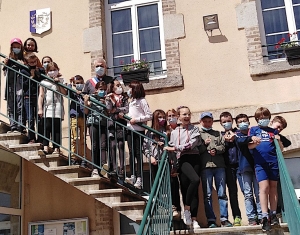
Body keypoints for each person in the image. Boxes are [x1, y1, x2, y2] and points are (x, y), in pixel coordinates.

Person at [164, 106, 201, 229]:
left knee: (195, 184)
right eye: (183, 114)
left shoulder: (195, 129)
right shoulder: (174, 133)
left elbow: (191, 145)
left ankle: (191, 216)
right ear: (178, 117)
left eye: (188, 114)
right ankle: (188, 214)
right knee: (185, 187)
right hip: (182, 160)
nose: (186, 116)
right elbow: (172, 152)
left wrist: (175, 148)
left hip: (194, 158)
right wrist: (174, 166)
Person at [248, 107, 280, 232]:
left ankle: (273, 214)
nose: (264, 120)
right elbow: (249, 146)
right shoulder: (254, 130)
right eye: (261, 118)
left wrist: (279, 141)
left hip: (273, 163)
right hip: (260, 164)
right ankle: (264, 217)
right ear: (257, 119)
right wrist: (255, 142)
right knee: (264, 188)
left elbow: (280, 149)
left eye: (266, 118)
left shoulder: (273, 131)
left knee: (273, 188)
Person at [199, 112, 232, 228]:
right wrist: (204, 144)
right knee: (207, 194)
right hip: (206, 166)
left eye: (209, 121)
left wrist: (216, 150)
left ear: (212, 122)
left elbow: (223, 146)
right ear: (200, 122)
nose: (207, 123)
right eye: (205, 121)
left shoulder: (217, 133)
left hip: (219, 166)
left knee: (222, 193)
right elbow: (196, 149)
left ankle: (224, 219)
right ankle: (211, 220)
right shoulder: (198, 134)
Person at [235, 113, 262, 225]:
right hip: (244, 167)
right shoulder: (237, 135)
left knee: (259, 192)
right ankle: (251, 218)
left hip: (257, 166)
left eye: (244, 121)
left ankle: (261, 215)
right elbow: (241, 141)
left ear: (249, 122)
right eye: (240, 122)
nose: (243, 123)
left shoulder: (254, 131)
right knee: (248, 194)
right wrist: (251, 139)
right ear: (237, 125)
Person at [125, 82, 152, 189]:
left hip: (138, 130)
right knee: (131, 152)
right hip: (129, 129)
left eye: (130, 89)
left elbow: (149, 115)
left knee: (137, 153)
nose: (129, 91)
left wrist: (137, 120)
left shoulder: (142, 101)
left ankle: (140, 178)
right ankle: (132, 175)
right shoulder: (132, 101)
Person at [37, 62, 66, 155]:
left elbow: (64, 93)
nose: (53, 72)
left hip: (57, 107)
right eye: (50, 70)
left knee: (56, 128)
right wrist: (40, 108)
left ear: (58, 70)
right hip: (47, 107)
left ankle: (56, 148)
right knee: (47, 127)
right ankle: (46, 147)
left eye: (54, 70)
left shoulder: (61, 81)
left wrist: (58, 83)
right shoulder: (43, 82)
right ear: (47, 71)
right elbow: (41, 95)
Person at [219, 111, 243, 226]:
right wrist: (224, 140)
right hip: (228, 167)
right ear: (220, 123)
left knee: (246, 190)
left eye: (228, 121)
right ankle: (237, 217)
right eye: (224, 122)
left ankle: (255, 216)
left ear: (232, 121)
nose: (227, 123)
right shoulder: (220, 135)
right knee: (233, 192)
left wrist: (235, 138)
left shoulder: (238, 133)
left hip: (241, 166)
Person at [84, 81, 108, 177]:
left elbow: (108, 112)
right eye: (101, 89)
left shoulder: (106, 100)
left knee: (103, 145)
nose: (103, 91)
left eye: (104, 90)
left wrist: (106, 104)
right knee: (95, 145)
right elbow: (86, 111)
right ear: (96, 90)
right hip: (93, 122)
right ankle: (94, 168)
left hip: (103, 123)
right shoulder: (92, 98)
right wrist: (86, 101)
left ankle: (102, 166)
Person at [106, 79, 129, 178]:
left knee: (121, 144)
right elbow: (109, 109)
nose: (119, 87)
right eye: (117, 85)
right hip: (112, 123)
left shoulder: (124, 98)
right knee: (113, 145)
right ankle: (114, 167)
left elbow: (127, 108)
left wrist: (117, 110)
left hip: (121, 122)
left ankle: (122, 168)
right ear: (112, 87)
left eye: (120, 85)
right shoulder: (109, 97)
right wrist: (109, 101)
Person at [20, 52, 45, 143]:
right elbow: (24, 85)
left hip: (38, 97)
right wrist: (32, 77)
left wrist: (37, 74)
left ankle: (41, 138)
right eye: (31, 62)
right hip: (28, 97)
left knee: (39, 119)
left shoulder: (40, 70)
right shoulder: (23, 71)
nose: (33, 64)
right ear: (27, 62)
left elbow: (43, 79)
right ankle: (31, 138)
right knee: (30, 119)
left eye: (35, 61)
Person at [270, 116, 291, 218]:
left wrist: (278, 139)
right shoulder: (262, 133)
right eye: (278, 126)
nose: (278, 130)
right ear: (271, 122)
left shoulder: (278, 136)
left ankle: (277, 211)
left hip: (275, 166)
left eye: (280, 129)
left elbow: (288, 143)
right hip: (264, 166)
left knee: (276, 189)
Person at [3, 38, 24, 133]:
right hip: (10, 84)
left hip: (19, 85)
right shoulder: (9, 57)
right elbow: (4, 70)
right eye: (14, 46)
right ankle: (13, 126)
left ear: (21, 47)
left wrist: (23, 64)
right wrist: (5, 63)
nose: (16, 48)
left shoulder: (23, 58)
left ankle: (20, 126)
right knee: (11, 106)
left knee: (20, 105)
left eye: (18, 46)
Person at [143, 109, 167, 179]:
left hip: (165, 161)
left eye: (163, 117)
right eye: (159, 117)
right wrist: (150, 157)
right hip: (154, 161)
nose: (162, 119)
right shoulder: (149, 132)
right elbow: (145, 147)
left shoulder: (167, 131)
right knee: (156, 181)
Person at [68, 75, 87, 166]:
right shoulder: (73, 93)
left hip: (83, 117)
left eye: (81, 83)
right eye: (77, 83)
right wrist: (70, 84)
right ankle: (73, 157)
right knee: (74, 138)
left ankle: (83, 158)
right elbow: (68, 93)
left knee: (83, 138)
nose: (79, 85)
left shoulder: (85, 93)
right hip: (74, 116)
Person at [166, 108, 181, 220]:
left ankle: (185, 211)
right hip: (172, 163)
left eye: (173, 115)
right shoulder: (165, 131)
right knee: (173, 186)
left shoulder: (181, 129)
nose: (171, 118)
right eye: (169, 116)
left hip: (182, 160)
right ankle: (175, 209)